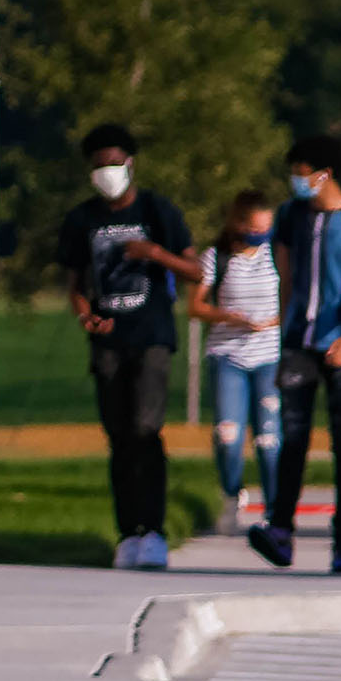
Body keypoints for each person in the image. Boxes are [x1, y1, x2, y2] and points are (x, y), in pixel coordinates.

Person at [54, 124, 199, 571]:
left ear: (130, 163)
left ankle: (153, 530)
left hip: (151, 335)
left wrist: (155, 254)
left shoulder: (158, 211)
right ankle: (128, 533)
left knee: (145, 429)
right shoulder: (82, 220)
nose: (106, 172)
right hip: (108, 340)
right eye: (98, 165)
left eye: (113, 163)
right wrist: (85, 315)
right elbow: (75, 282)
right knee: (118, 436)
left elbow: (195, 269)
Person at [248, 136, 341, 574]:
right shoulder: (290, 216)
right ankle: (281, 530)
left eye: (302, 172)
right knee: (293, 438)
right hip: (299, 343)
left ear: (324, 174)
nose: (297, 181)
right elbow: (286, 281)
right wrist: (286, 342)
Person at [186, 191, 282, 536]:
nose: (262, 234)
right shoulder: (217, 257)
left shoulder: (277, 255)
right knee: (229, 434)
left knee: (269, 439)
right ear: (240, 224)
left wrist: (274, 321)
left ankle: (275, 511)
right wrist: (228, 317)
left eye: (267, 228)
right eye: (256, 227)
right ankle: (231, 493)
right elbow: (195, 307)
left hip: (269, 357)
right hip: (228, 355)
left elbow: (296, 299)